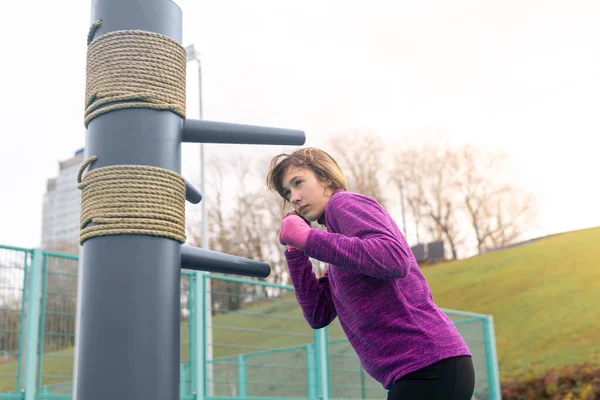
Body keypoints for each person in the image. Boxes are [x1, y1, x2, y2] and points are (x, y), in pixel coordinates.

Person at [266, 147, 475, 400]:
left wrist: (309, 238)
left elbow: (394, 258)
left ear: (326, 178)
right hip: (419, 372)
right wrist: (296, 251)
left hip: (429, 365)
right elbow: (317, 313)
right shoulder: (339, 256)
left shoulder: (343, 203)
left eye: (298, 183)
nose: (294, 197)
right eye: (288, 193)